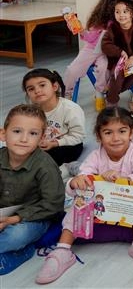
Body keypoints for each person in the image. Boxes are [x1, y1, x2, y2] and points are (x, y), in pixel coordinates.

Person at [35, 107, 133, 284]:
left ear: (131, 133)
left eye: (122, 131)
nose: (115, 138)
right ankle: (63, 250)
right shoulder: (96, 155)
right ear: (99, 136)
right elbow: (83, 177)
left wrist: (120, 179)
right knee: (80, 201)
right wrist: (76, 182)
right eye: (108, 133)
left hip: (129, 202)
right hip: (104, 204)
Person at [0, 105, 65, 272]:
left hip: (34, 217)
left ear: (41, 138)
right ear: (3, 134)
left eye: (33, 134)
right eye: (17, 131)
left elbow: (53, 204)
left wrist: (12, 220)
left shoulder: (45, 166)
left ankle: (23, 251)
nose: (24, 139)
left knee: (16, 236)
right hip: (3, 212)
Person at [63, 0, 121, 106]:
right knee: (72, 70)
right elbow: (90, 37)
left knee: (104, 69)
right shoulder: (100, 20)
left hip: (105, 52)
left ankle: (100, 92)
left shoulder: (120, 19)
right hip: (91, 49)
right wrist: (81, 30)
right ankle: (67, 93)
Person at [22, 69, 85, 167]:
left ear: (55, 86)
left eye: (42, 85)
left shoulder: (70, 109)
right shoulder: (31, 112)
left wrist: (55, 143)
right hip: (43, 145)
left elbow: (78, 136)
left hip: (66, 145)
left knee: (44, 158)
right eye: (31, 89)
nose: (37, 91)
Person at [101, 0, 133, 106]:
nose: (121, 15)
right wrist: (120, 52)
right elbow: (105, 44)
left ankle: (111, 93)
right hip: (118, 61)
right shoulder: (112, 28)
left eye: (125, 11)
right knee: (117, 75)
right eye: (117, 12)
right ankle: (112, 102)